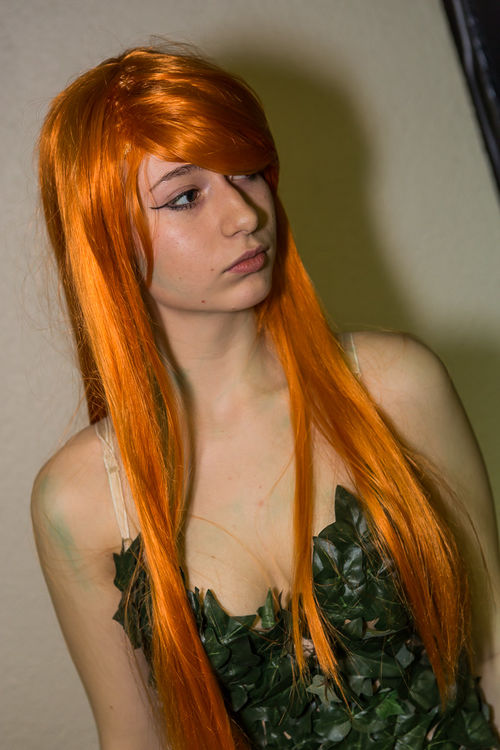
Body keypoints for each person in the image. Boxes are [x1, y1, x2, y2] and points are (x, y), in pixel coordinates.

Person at [31, 44, 500, 750]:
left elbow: (493, 642)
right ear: (105, 238)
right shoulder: (80, 502)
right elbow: (134, 737)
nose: (245, 213)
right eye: (185, 196)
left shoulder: (395, 385)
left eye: (245, 170)